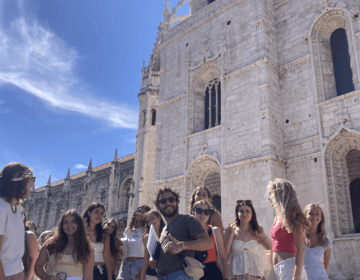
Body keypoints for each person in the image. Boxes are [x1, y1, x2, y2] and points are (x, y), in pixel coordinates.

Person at [151, 186, 213, 280]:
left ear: (177, 202)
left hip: (180, 275)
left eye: (171, 199)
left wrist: (182, 245)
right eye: (163, 201)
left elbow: (208, 243)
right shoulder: (164, 229)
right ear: (158, 206)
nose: (168, 203)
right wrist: (153, 261)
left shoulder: (188, 219)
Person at [34, 210, 94, 280]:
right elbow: (38, 266)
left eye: (73, 222)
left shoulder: (87, 248)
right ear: (61, 225)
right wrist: (47, 278)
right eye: (66, 222)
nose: (69, 225)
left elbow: (88, 277)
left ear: (79, 224)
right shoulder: (51, 244)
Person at [267, 179, 309, 280]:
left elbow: (300, 248)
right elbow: (274, 245)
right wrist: (269, 268)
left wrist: (297, 276)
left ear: (281, 194)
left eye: (272, 194)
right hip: (278, 268)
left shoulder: (294, 216)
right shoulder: (277, 216)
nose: (270, 197)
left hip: (289, 268)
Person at [0, 162, 34, 280]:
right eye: (31, 179)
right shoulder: (1, 209)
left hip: (18, 272)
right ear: (19, 181)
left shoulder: (18, 209)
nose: (33, 183)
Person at [224, 200, 272, 280]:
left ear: (252, 213)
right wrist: (232, 234)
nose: (244, 214)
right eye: (241, 211)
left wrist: (264, 236)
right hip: (235, 276)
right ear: (237, 213)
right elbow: (225, 254)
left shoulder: (257, 231)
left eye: (247, 211)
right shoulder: (230, 230)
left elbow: (272, 249)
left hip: (254, 276)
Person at [191, 200, 230, 280]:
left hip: (212, 273)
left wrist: (226, 278)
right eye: (199, 211)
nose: (202, 214)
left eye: (206, 212)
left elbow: (223, 257)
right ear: (193, 212)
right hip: (194, 272)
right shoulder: (188, 232)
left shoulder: (215, 231)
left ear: (209, 215)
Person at [117, 205, 150, 280]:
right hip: (126, 264)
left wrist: (142, 271)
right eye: (138, 211)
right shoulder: (128, 230)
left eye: (143, 212)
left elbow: (149, 253)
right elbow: (124, 253)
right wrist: (119, 247)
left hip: (139, 265)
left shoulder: (146, 230)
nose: (139, 213)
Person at [82, 203, 112, 280]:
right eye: (96, 212)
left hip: (100, 271)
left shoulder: (103, 234)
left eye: (102, 213)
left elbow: (107, 257)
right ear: (89, 213)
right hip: (82, 270)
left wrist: (110, 277)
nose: (99, 215)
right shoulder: (80, 232)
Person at [303, 203, 332, 280]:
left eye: (317, 214)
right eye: (310, 213)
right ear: (305, 216)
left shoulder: (325, 240)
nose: (314, 216)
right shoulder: (298, 238)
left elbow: (326, 266)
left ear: (321, 217)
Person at [140, 210, 166, 280]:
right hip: (150, 275)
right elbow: (145, 260)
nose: (150, 222)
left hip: (166, 275)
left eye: (152, 218)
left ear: (159, 218)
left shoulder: (167, 234)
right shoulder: (147, 237)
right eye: (148, 221)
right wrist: (142, 278)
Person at [23, 214, 39, 280]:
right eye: (28, 227)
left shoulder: (30, 236)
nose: (30, 229)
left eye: (32, 228)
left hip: (30, 274)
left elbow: (34, 261)